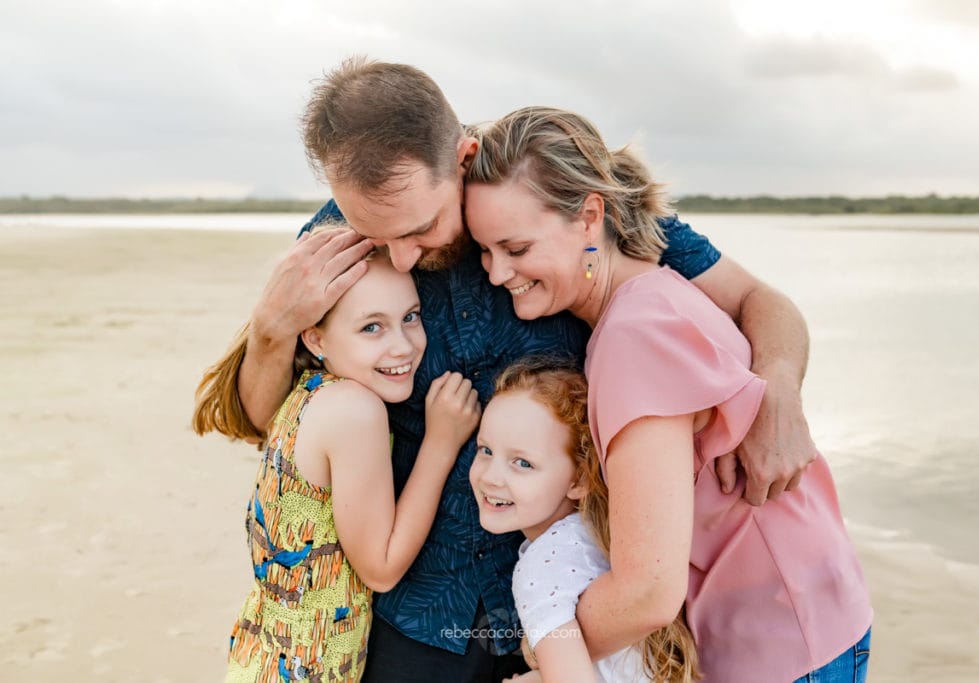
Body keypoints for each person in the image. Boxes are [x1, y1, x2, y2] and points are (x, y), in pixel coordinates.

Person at [208, 57, 817, 681]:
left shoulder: (559, 209)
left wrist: (779, 397)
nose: (398, 255)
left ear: (463, 157)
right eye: (375, 232)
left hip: (565, 598)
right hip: (412, 610)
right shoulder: (338, 239)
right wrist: (270, 330)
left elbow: (759, 302)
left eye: (421, 228)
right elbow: (276, 424)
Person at [463, 106, 873, 682]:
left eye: (517, 248)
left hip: (776, 642)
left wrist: (545, 656)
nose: (498, 272)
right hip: (815, 613)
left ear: (589, 219)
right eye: (485, 250)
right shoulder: (657, 293)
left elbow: (648, 593)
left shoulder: (633, 338)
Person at [193, 241, 481, 682]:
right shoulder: (354, 411)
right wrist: (441, 443)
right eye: (372, 327)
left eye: (411, 316)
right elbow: (381, 569)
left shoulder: (309, 392)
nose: (403, 345)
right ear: (315, 338)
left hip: (263, 658)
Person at [470, 356, 699, 683]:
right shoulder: (606, 535)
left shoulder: (540, 569)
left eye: (522, 463)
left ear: (578, 480)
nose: (491, 477)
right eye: (486, 450)